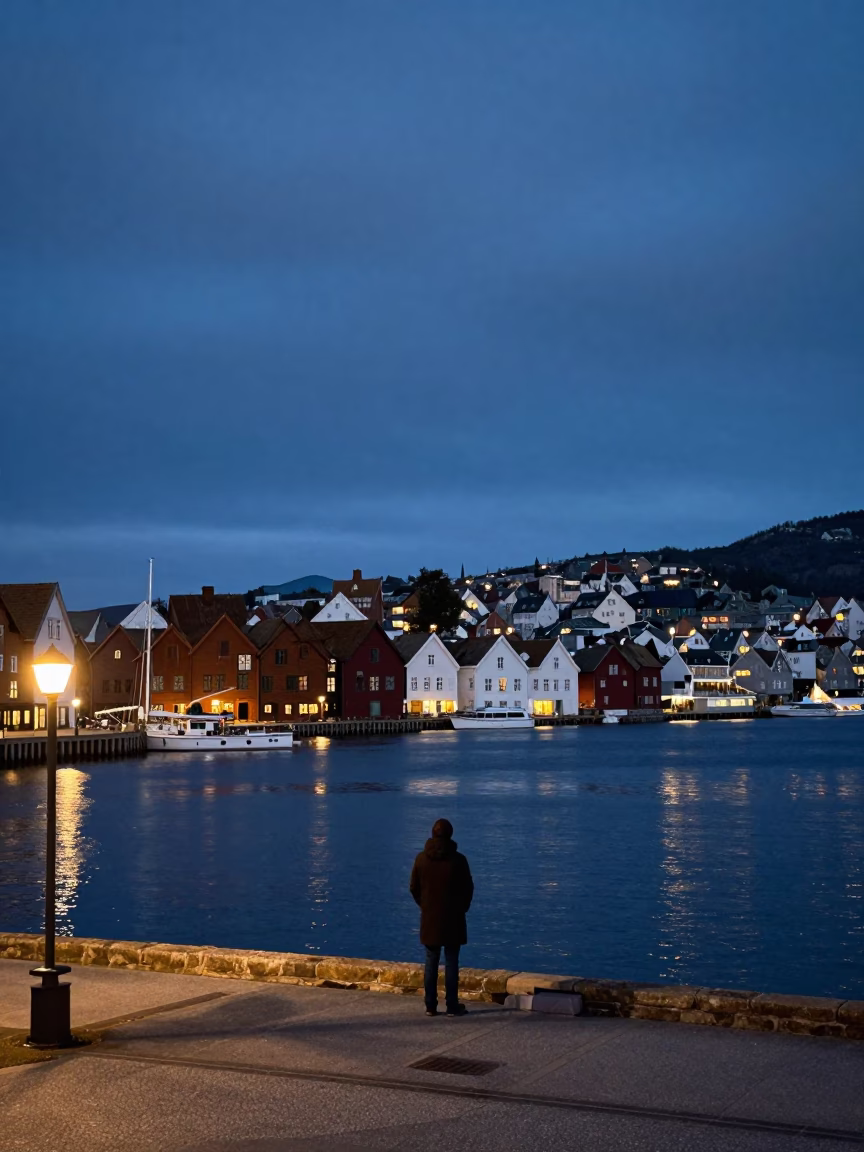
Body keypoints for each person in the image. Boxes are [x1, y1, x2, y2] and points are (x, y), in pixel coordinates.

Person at [409, 818, 474, 1017]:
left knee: (431, 960)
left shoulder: (421, 859)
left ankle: (430, 1005)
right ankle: (452, 1006)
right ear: (450, 835)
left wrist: (425, 906)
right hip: (453, 917)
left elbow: (414, 888)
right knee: (452, 961)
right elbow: (468, 888)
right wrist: (462, 907)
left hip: (430, 918)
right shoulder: (458, 860)